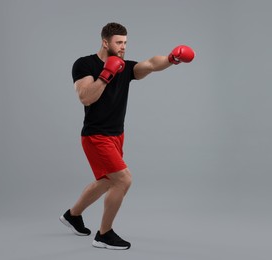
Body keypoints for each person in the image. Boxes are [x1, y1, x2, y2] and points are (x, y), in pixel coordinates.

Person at [60, 22, 195, 250]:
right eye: (118, 43)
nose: (123, 47)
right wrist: (106, 74)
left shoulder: (125, 67)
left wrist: (172, 59)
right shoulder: (84, 64)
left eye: (125, 43)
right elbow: (85, 97)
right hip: (96, 135)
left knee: (106, 182)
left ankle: (73, 216)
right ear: (105, 42)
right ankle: (104, 234)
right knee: (122, 179)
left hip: (116, 135)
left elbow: (151, 64)